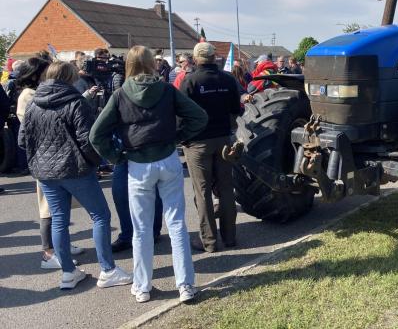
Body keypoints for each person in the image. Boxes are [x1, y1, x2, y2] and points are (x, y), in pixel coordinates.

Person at [90, 45, 208, 303]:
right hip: (168, 160)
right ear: (152, 64)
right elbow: (199, 117)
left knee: (141, 230)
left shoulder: (120, 95)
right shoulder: (167, 90)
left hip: (138, 165)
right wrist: (178, 137)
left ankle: (142, 287)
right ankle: (186, 285)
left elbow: (96, 135)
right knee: (176, 224)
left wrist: (116, 156)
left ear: (129, 65)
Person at [18, 61, 132, 289]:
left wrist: (37, 159)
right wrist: (94, 162)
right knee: (100, 215)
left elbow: (22, 140)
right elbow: (87, 139)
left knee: (59, 219)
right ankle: (107, 270)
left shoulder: (33, 104)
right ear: (69, 78)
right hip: (74, 169)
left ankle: (68, 272)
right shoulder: (75, 102)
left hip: (45, 172)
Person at [16, 57, 84, 268]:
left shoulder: (41, 93)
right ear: (36, 75)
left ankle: (61, 243)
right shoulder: (29, 96)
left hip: (56, 157)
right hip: (45, 158)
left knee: (60, 207)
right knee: (48, 209)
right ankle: (48, 252)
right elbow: (27, 131)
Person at [180, 42, 241, 253]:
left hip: (198, 143)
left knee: (202, 191)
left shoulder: (190, 81)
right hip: (224, 140)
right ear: (215, 57)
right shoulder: (228, 79)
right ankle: (230, 237)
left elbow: (181, 115)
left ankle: (209, 241)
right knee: (226, 188)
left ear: (195, 59)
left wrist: (183, 138)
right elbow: (236, 109)